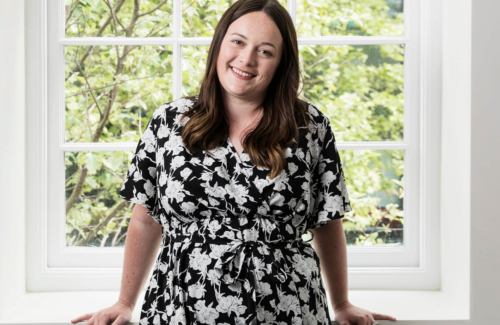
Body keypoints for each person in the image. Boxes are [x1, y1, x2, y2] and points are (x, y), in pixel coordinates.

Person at [71, 0, 398, 324]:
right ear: (219, 45)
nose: (247, 59)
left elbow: (327, 222)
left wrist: (341, 304)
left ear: (281, 63)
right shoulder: (169, 122)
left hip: (288, 309)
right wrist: (124, 302)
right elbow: (145, 221)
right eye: (238, 42)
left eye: (265, 51)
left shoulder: (309, 126)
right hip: (180, 307)